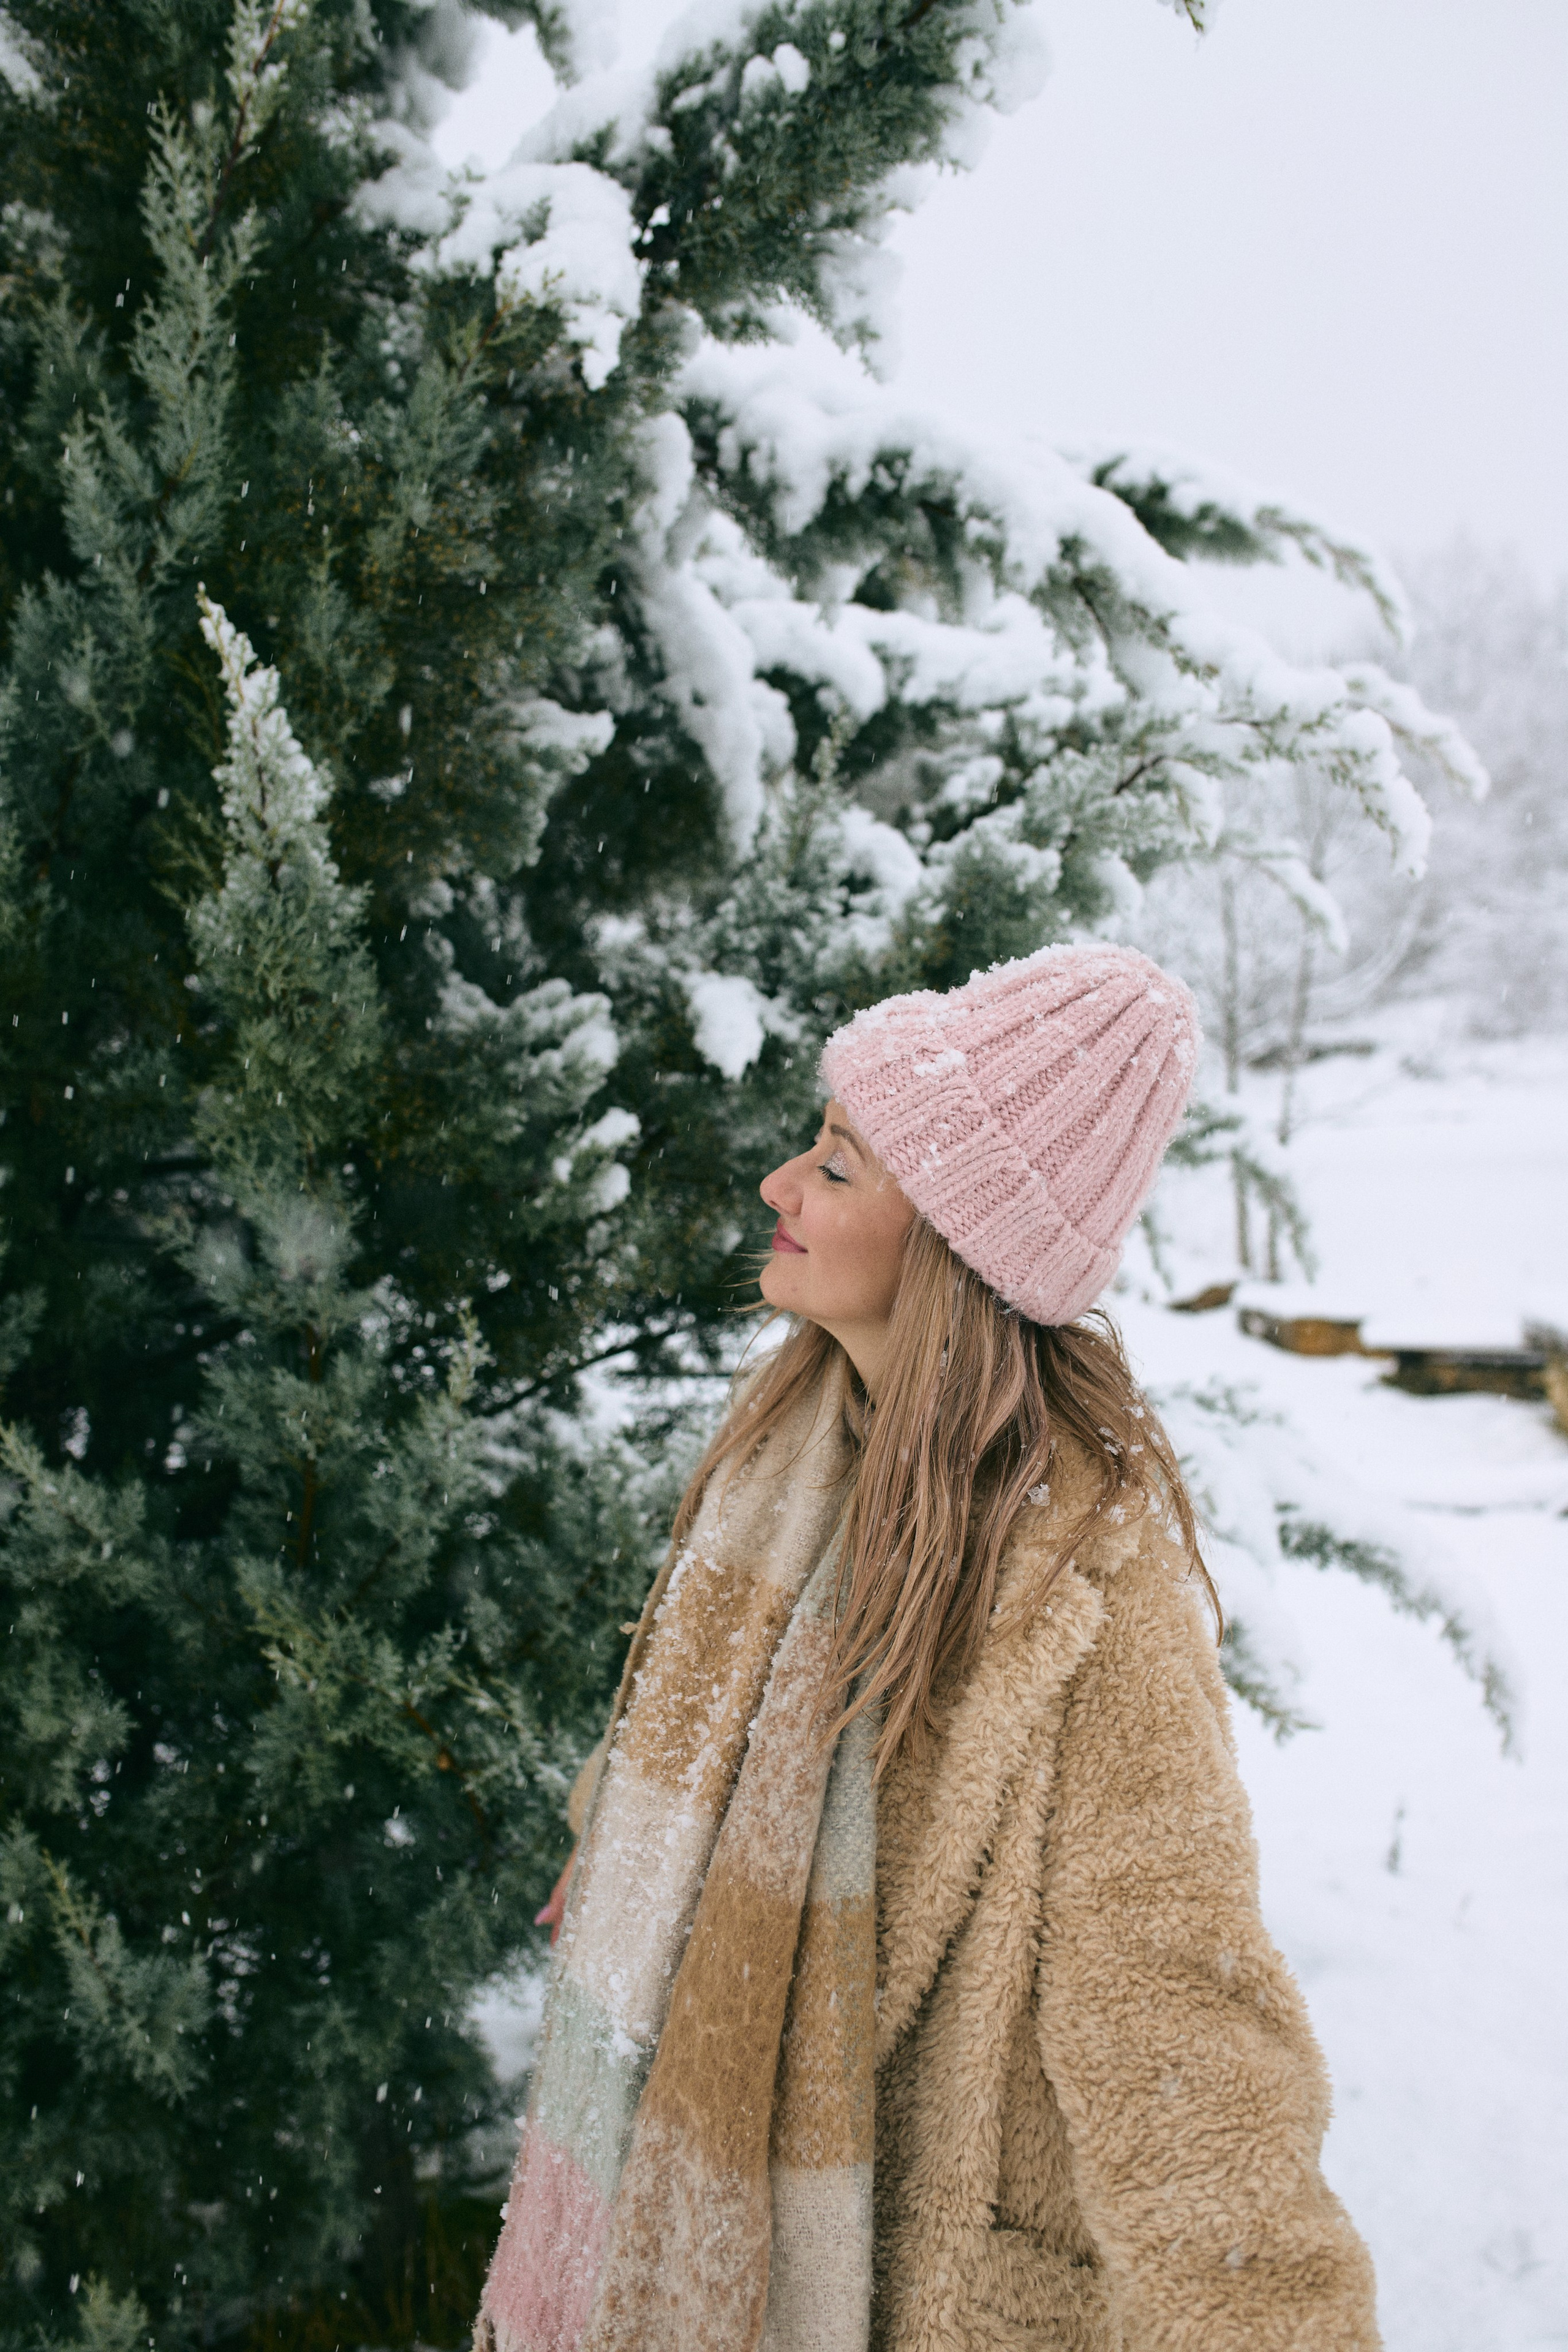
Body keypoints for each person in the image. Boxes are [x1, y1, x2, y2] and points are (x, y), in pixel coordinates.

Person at [477, 944, 1380, 2352]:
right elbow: (691, 1725)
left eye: (837, 1169)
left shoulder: (1081, 1588)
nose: (780, 1186)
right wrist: (626, 1840)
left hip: (914, 2297)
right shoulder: (787, 1454)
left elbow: (1182, 2032)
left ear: (957, 1247)